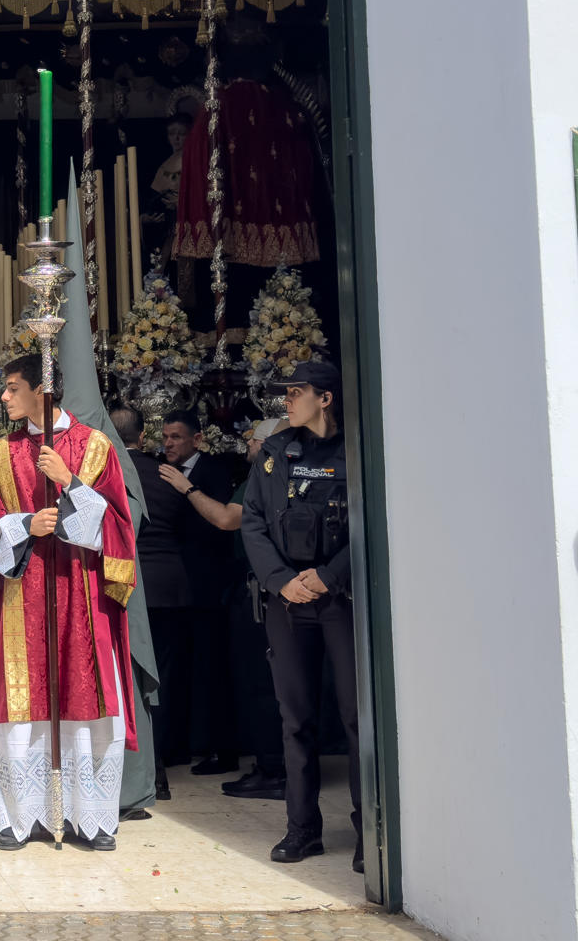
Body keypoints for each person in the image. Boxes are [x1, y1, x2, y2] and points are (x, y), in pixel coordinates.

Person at [0, 353, 139, 851]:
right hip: (25, 595)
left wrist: (69, 482)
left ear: (42, 391)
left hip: (82, 596)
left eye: (13, 387)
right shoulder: (1, 455)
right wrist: (25, 525)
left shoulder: (95, 447)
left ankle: (94, 818)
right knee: (25, 703)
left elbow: (120, 532)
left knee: (86, 695)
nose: (4, 397)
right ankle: (21, 818)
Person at [237, 359, 360, 871]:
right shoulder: (275, 451)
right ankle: (302, 828)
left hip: (339, 598)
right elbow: (254, 521)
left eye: (296, 391)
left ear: (325, 398)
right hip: (288, 600)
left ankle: (367, 829)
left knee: (358, 719)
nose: (286, 400)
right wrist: (280, 580)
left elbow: (371, 520)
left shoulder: (355, 450)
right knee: (296, 719)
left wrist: (328, 576)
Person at [118, 408, 239, 795]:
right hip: (172, 587)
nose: (168, 444)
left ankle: (136, 763)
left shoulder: (110, 473)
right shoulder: (168, 477)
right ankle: (162, 761)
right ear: (144, 435)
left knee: (126, 676)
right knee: (165, 677)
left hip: (129, 586)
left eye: (175, 437)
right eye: (163, 437)